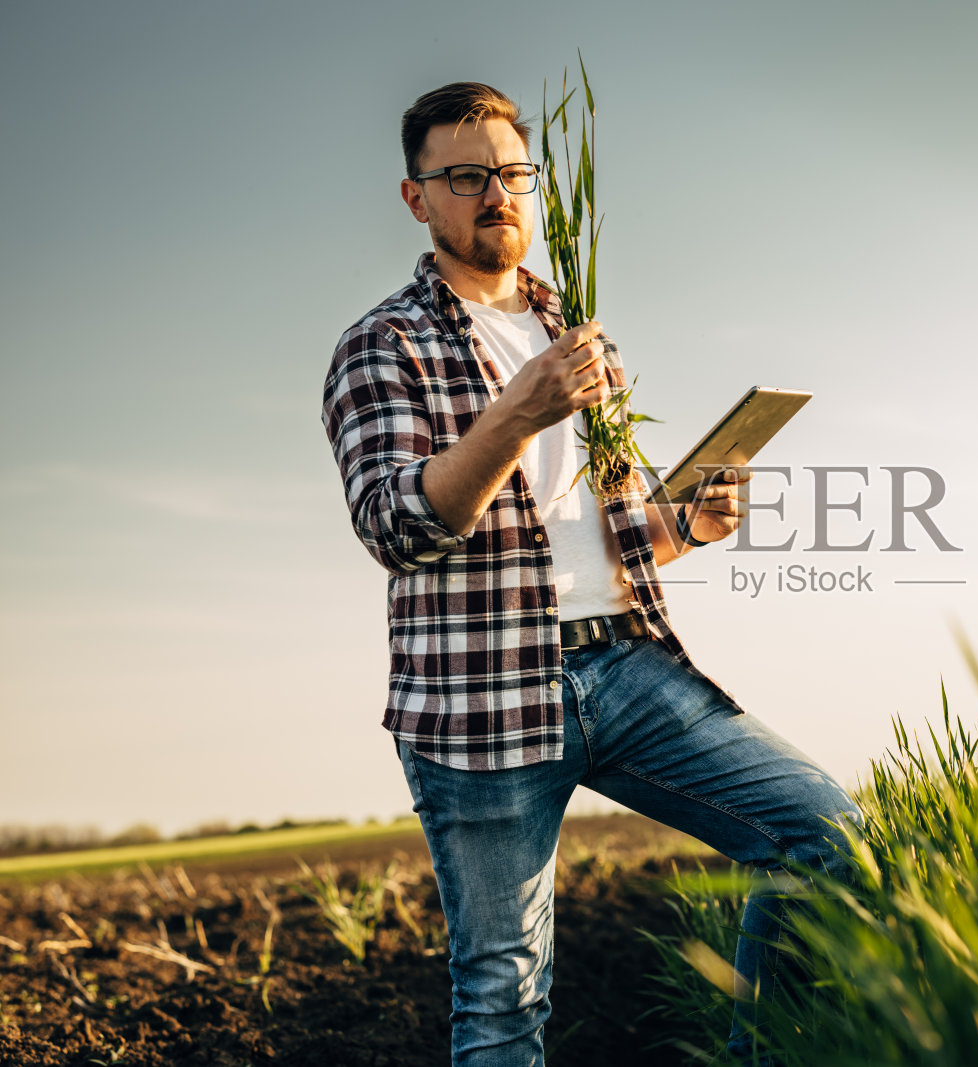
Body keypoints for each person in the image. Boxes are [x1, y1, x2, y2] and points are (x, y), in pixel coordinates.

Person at [320, 81, 859, 1066]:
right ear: (417, 198)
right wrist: (513, 413)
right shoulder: (380, 345)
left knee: (826, 836)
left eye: (513, 172)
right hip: (481, 702)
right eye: (466, 175)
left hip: (628, 668)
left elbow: (577, 536)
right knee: (503, 1000)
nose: (497, 193)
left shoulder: (573, 332)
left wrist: (676, 527)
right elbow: (398, 525)